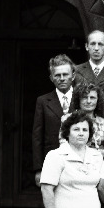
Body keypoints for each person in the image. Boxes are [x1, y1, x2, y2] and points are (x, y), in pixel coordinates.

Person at [33, 55, 76, 187]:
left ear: (73, 76)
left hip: (77, 160)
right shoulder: (43, 101)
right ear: (51, 78)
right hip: (51, 161)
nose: (62, 78)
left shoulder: (82, 99)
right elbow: (37, 136)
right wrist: (38, 169)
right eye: (57, 75)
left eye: (65, 74)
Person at [68, 82, 104, 155]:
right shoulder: (69, 120)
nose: (88, 101)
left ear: (98, 100)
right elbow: (64, 147)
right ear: (78, 100)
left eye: (92, 98)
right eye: (85, 97)